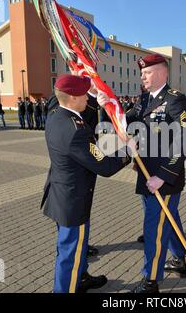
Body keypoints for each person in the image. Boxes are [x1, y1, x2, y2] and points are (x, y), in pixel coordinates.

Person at [99, 54, 186, 293]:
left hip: (163, 179)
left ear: (162, 73)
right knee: (169, 219)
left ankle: (150, 281)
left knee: (154, 230)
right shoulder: (143, 99)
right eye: (141, 73)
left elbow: (183, 140)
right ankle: (180, 258)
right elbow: (124, 121)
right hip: (145, 173)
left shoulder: (175, 100)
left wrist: (164, 175)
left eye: (147, 73)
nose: (142, 77)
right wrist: (106, 105)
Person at [41, 74, 132, 294]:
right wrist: (128, 151)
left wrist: (95, 97)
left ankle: (80, 278)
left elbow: (66, 97)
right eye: (84, 94)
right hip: (73, 202)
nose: (87, 97)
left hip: (60, 195)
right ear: (72, 97)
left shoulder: (55, 114)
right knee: (70, 254)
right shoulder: (76, 131)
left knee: (69, 249)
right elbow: (105, 166)